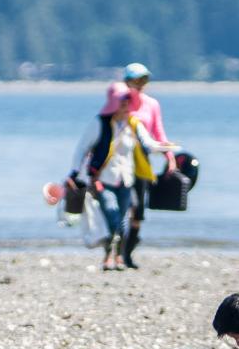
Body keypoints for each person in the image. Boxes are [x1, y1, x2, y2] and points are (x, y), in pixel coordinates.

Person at [69, 81, 175, 271]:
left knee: (124, 220)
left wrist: (165, 148)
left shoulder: (133, 124)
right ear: (114, 103)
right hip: (104, 179)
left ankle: (116, 256)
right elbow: (81, 150)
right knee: (112, 213)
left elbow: (148, 144)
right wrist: (75, 173)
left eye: (128, 102)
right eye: (123, 102)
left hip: (126, 180)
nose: (126, 106)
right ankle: (109, 255)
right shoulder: (99, 124)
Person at [122, 62, 176, 269]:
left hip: (142, 164)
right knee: (121, 207)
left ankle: (128, 252)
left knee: (138, 211)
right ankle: (116, 251)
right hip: (120, 163)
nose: (140, 84)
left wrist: (169, 156)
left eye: (144, 80)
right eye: (136, 80)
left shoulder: (151, 104)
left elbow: (158, 132)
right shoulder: (121, 103)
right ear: (127, 82)